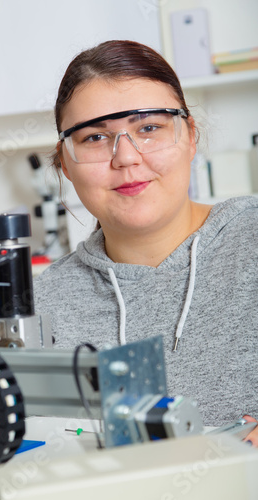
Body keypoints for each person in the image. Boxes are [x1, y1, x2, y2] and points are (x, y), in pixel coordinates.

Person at [33, 40, 258, 442]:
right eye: (95, 138)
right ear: (65, 162)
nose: (126, 158)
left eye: (149, 128)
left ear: (190, 136)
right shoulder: (39, 304)